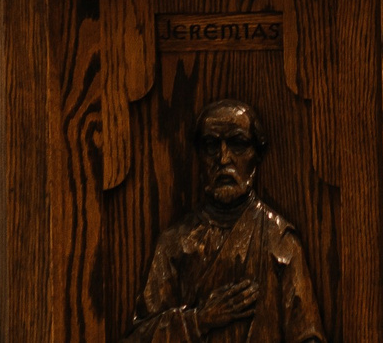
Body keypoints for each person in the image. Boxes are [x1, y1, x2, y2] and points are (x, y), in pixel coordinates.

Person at [125, 100, 323, 343]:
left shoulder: (279, 240)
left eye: (238, 144)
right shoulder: (175, 243)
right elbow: (137, 338)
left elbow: (308, 336)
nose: (224, 158)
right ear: (199, 155)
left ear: (256, 155)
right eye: (211, 145)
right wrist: (200, 320)